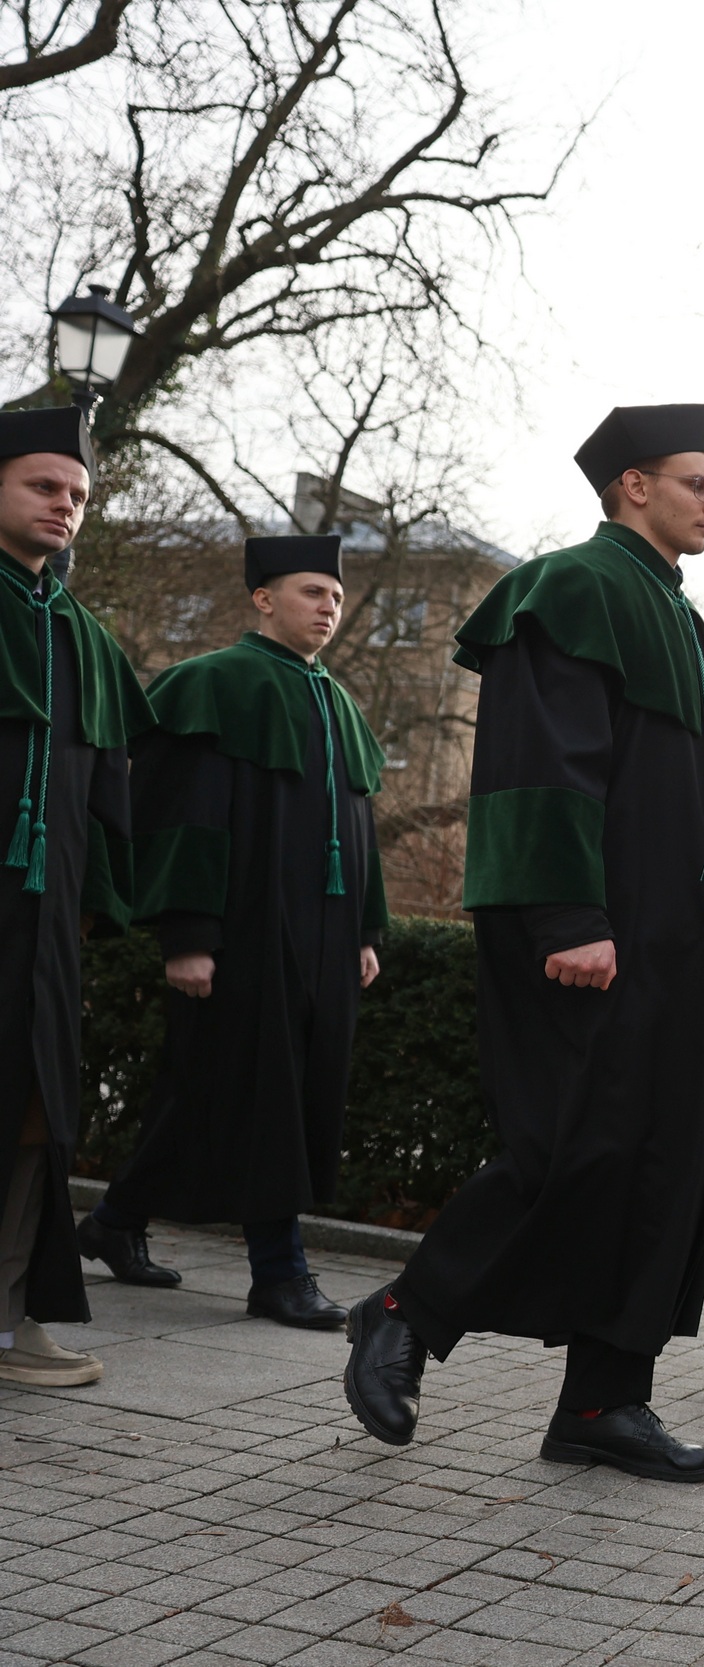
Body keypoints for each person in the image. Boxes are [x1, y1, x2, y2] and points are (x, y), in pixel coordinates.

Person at [341, 404, 704, 1483]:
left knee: (663, 1163)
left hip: (679, 941)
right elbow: (538, 763)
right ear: (633, 485)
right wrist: (572, 917)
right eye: (697, 480)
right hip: (596, 931)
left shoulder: (680, 617)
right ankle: (401, 1311)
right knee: (570, 1148)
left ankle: (606, 1398)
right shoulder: (572, 586)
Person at [83, 533, 384, 1329]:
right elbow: (185, 817)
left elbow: (360, 830)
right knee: (260, 1094)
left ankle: (113, 1221)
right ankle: (278, 1272)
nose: (329, 607)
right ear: (263, 599)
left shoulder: (339, 703)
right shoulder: (214, 684)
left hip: (322, 940)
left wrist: (365, 929)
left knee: (210, 1090)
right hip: (243, 931)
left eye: (336, 596)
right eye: (312, 592)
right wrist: (187, 932)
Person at [0, 408, 147, 1388]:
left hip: (43, 924)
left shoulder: (84, 639)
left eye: (79, 495)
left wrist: (95, 905)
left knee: (35, 1114)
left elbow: (108, 795)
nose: (65, 506)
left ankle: (9, 1317)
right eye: (44, 487)